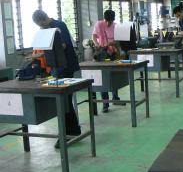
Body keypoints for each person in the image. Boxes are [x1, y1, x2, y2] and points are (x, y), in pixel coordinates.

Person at [32, 10, 81, 148]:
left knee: (64, 101)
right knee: (65, 102)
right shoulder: (47, 29)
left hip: (66, 66)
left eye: (39, 25)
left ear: (41, 21)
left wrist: (41, 53)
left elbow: (63, 45)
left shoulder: (59, 25)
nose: (40, 27)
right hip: (56, 68)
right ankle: (74, 130)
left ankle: (67, 133)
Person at [92, 10, 125, 113]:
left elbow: (118, 40)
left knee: (113, 75)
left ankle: (115, 98)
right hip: (102, 54)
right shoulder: (99, 24)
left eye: (110, 21)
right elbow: (94, 36)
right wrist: (97, 45)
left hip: (113, 53)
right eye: (107, 21)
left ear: (113, 20)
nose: (108, 23)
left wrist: (110, 43)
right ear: (104, 19)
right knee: (103, 77)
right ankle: (105, 104)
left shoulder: (116, 26)